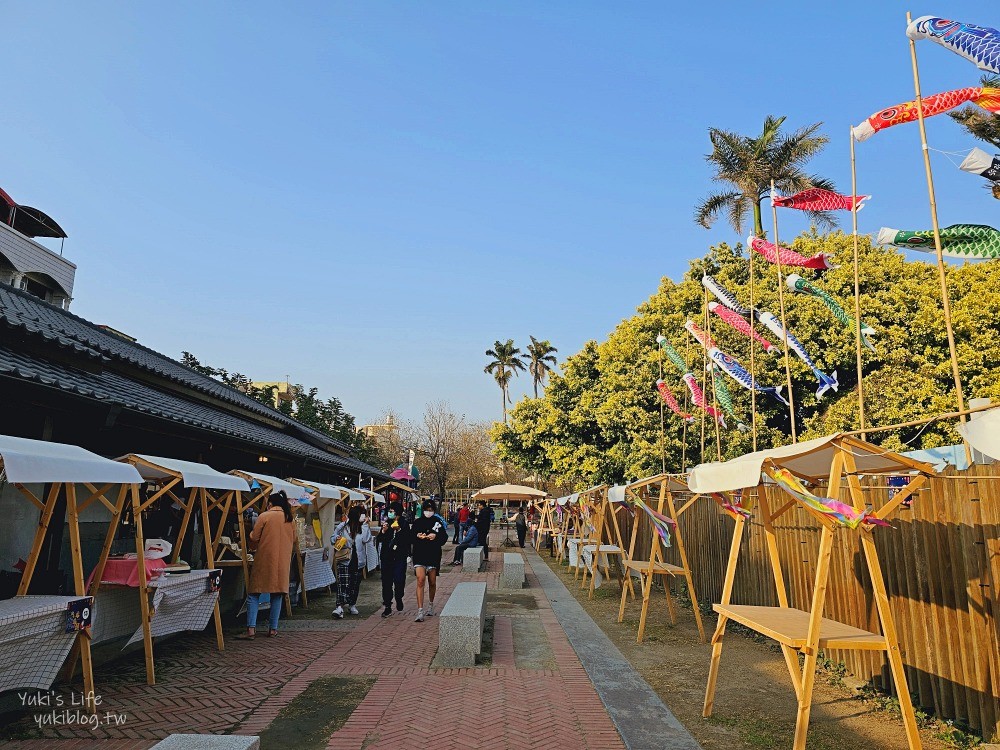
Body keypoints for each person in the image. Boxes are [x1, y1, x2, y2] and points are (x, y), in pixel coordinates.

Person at [237, 491, 295, 639]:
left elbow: (254, 537)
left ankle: (251, 629)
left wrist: (248, 534)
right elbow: (295, 540)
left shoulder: (265, 516)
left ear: (270, 503)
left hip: (265, 559)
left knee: (254, 593)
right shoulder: (290, 519)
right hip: (283, 561)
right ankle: (273, 629)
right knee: (277, 594)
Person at [410, 499, 448, 622]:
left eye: (431, 510)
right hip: (419, 554)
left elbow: (444, 537)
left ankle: (430, 605)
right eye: (426, 510)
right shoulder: (417, 522)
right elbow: (411, 537)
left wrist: (435, 536)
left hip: (433, 555)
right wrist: (417, 536)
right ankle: (420, 610)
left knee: (432, 581)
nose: (428, 512)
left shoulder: (437, 522)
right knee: (420, 580)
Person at [331, 505, 372, 619]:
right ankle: (339, 606)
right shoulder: (344, 527)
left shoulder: (362, 527)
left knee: (354, 584)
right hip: (344, 559)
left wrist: (364, 524)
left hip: (358, 560)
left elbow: (366, 539)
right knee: (343, 583)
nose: (363, 516)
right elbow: (333, 537)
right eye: (361, 514)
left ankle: (352, 603)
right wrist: (338, 536)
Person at [376, 501, 410, 618]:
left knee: (399, 579)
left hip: (399, 557)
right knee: (386, 582)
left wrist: (399, 530)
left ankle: (399, 596)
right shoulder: (387, 523)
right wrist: (383, 531)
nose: (390, 513)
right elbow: (380, 539)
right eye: (389, 511)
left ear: (398, 512)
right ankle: (387, 605)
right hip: (387, 557)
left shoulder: (404, 524)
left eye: (392, 511)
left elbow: (407, 540)